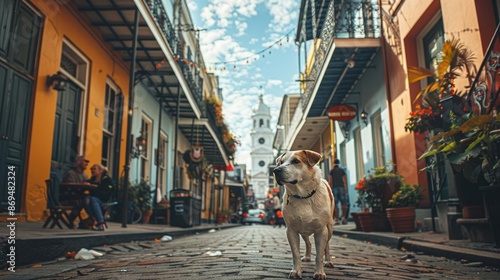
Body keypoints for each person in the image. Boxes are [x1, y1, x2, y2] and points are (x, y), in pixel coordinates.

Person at [62, 155, 90, 228]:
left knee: (90, 201)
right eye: (85, 161)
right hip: (67, 197)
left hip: (78, 197)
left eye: (88, 162)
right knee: (79, 202)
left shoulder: (85, 175)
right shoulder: (71, 173)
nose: (87, 163)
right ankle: (71, 221)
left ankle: (89, 221)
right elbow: (69, 188)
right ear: (78, 162)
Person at [84, 164, 115, 231]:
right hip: (94, 199)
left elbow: (107, 192)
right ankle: (95, 218)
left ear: (100, 171)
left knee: (93, 199)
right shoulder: (92, 179)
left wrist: (94, 190)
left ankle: (101, 223)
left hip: (103, 199)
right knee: (86, 199)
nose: (92, 170)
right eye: (91, 169)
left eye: (94, 169)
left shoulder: (106, 179)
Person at [329, 159, 348, 225]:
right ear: (339, 163)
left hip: (334, 188)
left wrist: (330, 190)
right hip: (341, 188)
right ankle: (343, 218)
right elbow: (345, 180)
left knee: (335, 204)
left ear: (333, 163)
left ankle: (336, 219)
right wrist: (346, 189)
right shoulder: (342, 171)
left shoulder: (332, 171)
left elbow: (330, 181)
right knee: (344, 203)